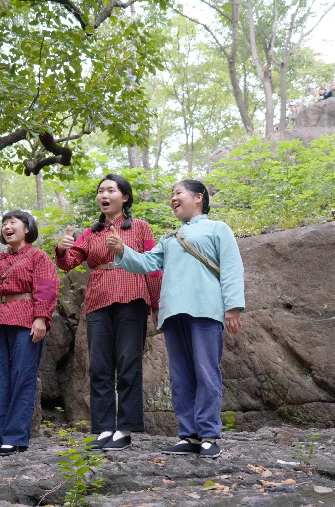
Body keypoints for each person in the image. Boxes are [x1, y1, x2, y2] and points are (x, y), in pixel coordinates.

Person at [105, 180, 245, 459]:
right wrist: (122, 249)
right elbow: (147, 263)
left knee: (206, 372)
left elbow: (231, 267)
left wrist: (233, 307)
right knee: (180, 376)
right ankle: (188, 435)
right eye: (171, 195)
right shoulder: (170, 237)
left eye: (178, 193)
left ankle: (208, 435)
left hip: (205, 309)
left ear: (199, 197)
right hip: (173, 312)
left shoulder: (218, 228)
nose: (173, 198)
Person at [55, 174, 161, 451]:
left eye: (110, 190)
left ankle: (124, 429)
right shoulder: (91, 233)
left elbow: (152, 266)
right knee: (99, 366)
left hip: (132, 297)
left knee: (128, 363)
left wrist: (156, 304)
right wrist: (62, 249)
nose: (104, 195)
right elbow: (69, 263)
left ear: (124, 197)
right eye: (101, 191)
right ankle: (103, 429)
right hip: (98, 302)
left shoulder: (140, 227)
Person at [0, 210, 59, 457]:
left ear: (27, 228)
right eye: (4, 223)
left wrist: (41, 318)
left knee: (22, 377)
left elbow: (47, 287)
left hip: (26, 318)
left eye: (13, 222)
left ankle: (16, 438)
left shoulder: (38, 256)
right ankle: (2, 439)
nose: (7, 226)